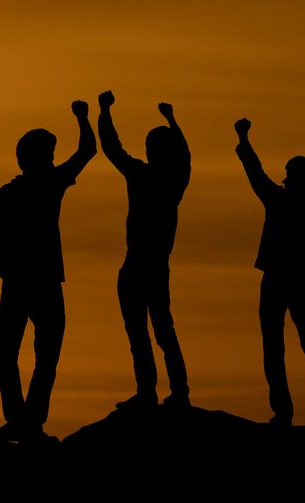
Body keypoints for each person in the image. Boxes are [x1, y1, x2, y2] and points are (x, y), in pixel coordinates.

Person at [0, 100, 97, 443]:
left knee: (14, 351)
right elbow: (88, 150)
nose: (50, 160)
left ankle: (23, 420)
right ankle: (25, 421)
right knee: (39, 353)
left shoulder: (4, 197)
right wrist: (83, 118)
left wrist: (5, 267)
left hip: (21, 282)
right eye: (47, 154)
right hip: (40, 281)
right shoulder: (46, 184)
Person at [235, 117, 305, 427]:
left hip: (284, 283)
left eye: (289, 173)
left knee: (286, 347)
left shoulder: (287, 205)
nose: (285, 177)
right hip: (292, 285)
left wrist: (244, 140)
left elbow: (255, 174)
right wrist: (243, 142)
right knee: (298, 346)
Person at [98, 91, 192, 409]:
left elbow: (114, 148)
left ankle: (172, 392)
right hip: (139, 262)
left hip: (148, 264)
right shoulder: (165, 179)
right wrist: (104, 112)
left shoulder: (160, 179)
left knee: (156, 330)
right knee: (145, 331)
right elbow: (113, 149)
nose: (151, 151)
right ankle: (154, 392)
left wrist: (105, 112)